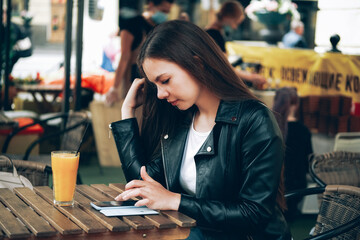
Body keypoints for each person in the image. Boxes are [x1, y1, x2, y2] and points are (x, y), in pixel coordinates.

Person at [110, 20, 291, 239]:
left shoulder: (254, 120)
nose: (160, 94)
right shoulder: (181, 120)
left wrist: (175, 200)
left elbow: (254, 213)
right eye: (155, 85)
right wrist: (127, 112)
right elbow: (143, 186)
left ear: (197, 63)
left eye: (165, 80)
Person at [105, 0, 174, 106]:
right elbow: (124, 57)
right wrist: (115, 87)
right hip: (134, 82)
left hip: (154, 84)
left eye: (167, 12)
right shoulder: (132, 24)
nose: (165, 15)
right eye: (163, 10)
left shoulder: (160, 28)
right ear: (151, 5)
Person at [272, 87, 313, 221]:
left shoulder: (271, 127)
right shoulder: (304, 130)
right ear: (295, 105)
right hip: (297, 189)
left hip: (272, 190)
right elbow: (309, 163)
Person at [205, 1, 266, 89]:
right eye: (235, 22)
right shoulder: (214, 35)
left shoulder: (213, 33)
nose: (235, 27)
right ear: (227, 17)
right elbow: (223, 67)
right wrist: (251, 77)